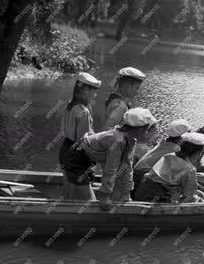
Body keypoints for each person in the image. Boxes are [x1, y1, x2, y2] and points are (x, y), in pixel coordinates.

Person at [61, 108, 157, 211]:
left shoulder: (131, 140)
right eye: (148, 130)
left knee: (90, 196)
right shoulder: (117, 141)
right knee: (90, 204)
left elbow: (127, 168)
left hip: (89, 160)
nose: (151, 134)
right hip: (76, 158)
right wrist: (105, 196)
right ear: (140, 129)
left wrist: (127, 194)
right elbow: (111, 170)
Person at [59, 72, 101, 200]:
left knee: (69, 192)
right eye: (94, 91)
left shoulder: (70, 105)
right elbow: (84, 140)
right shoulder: (84, 111)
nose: (96, 94)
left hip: (65, 147)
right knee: (89, 200)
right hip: (77, 153)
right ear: (85, 90)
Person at [134, 132, 204, 203]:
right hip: (157, 198)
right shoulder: (190, 169)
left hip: (141, 191)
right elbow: (189, 196)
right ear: (198, 154)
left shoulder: (168, 155)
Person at [132, 118, 192, 192]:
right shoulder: (175, 149)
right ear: (183, 137)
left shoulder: (163, 143)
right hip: (143, 179)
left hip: (136, 176)